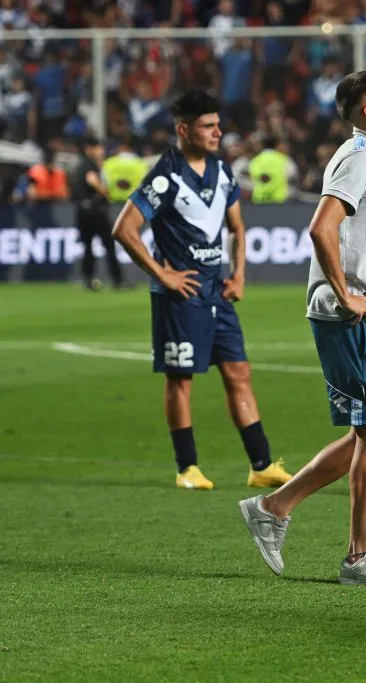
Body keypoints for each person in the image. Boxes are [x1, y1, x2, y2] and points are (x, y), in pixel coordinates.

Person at [238, 69, 366, 587]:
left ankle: (274, 506)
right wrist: (345, 294)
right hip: (349, 315)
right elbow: (321, 227)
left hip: (365, 314)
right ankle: (360, 557)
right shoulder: (360, 157)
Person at [111, 89, 293, 491]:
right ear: (183, 129)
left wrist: (239, 274)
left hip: (217, 291)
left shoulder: (222, 171)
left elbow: (237, 228)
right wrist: (163, 275)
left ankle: (261, 465)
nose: (217, 132)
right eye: (208, 126)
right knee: (181, 380)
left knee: (238, 372)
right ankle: (187, 467)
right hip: (181, 296)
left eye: (217, 124)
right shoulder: (164, 176)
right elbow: (124, 229)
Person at [72, 135, 125, 291]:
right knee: (109, 245)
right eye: (97, 147)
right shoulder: (89, 165)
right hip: (95, 211)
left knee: (87, 247)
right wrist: (105, 191)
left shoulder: (82, 164)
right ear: (90, 148)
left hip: (82, 211)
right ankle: (118, 280)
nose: (100, 150)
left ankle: (88, 280)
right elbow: (92, 181)